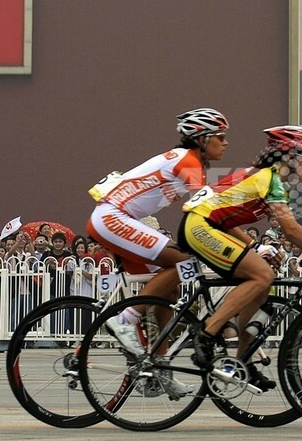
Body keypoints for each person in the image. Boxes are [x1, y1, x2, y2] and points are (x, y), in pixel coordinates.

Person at [179, 125, 302, 390]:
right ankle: (205, 333)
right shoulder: (269, 179)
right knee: (263, 275)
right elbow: (291, 230)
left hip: (205, 224)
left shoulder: (263, 178)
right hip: (199, 227)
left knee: (260, 289)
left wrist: (253, 245)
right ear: (289, 157)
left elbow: (224, 216)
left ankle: (243, 361)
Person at [86, 107, 229, 396]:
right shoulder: (187, 161)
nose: (225, 143)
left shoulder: (186, 160)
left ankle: (158, 369)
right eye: (220, 136)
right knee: (182, 264)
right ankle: (125, 320)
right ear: (201, 140)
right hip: (113, 218)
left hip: (118, 219)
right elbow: (210, 212)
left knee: (170, 290)